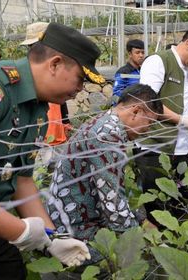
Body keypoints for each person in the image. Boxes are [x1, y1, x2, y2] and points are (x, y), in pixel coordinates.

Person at [0, 22, 105, 279]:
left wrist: (51, 238)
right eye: (80, 78)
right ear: (54, 64)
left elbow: (22, 181)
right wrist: (18, 231)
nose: (81, 89)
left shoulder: (38, 109)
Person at [46, 84, 163, 264]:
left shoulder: (106, 123)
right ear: (136, 111)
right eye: (150, 123)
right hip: (75, 233)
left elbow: (115, 186)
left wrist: (141, 219)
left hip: (73, 218)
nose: (148, 130)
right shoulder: (108, 136)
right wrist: (147, 242)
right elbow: (113, 204)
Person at [135, 26, 188, 226]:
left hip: (181, 148)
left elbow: (185, 100)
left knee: (181, 202)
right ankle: (158, 250)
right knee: (157, 207)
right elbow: (148, 102)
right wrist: (180, 119)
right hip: (156, 147)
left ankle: (179, 246)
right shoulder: (158, 61)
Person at [20, 21, 72, 147]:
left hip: (53, 126)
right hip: (36, 128)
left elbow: (61, 95)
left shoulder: (56, 65)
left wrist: (65, 120)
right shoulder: (27, 70)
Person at [112, 39, 145, 105]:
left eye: (142, 52)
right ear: (130, 54)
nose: (141, 55)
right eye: (137, 53)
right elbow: (115, 95)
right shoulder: (123, 72)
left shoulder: (144, 71)